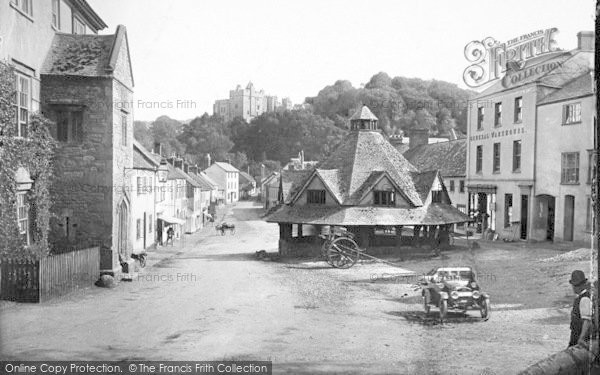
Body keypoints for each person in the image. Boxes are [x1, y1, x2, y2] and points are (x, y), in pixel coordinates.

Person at [568, 270, 593, 347]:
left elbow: (587, 321)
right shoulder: (583, 297)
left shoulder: (584, 299)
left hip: (579, 338)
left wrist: (581, 338)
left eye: (575, 285)